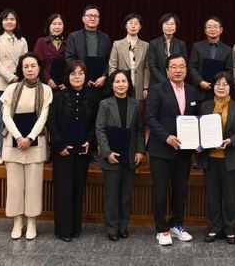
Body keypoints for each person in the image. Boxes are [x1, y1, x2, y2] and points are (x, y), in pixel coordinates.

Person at [145, 54, 198, 246]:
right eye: (174, 66)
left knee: (180, 190)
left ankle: (176, 225)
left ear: (186, 70)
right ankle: (162, 229)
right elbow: (150, 118)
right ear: (167, 71)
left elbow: (195, 119)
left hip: (183, 152)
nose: (178, 70)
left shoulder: (192, 91)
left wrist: (197, 142)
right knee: (161, 191)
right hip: (161, 150)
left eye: (182, 66)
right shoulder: (157, 89)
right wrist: (166, 137)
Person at [1, 52, 53, 240]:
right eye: (26, 66)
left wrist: (29, 138)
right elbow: (6, 115)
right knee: (14, 187)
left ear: (39, 68)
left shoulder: (46, 90)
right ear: (21, 69)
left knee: (33, 186)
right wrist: (18, 136)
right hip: (13, 143)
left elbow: (43, 117)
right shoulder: (12, 89)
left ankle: (31, 223)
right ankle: (17, 222)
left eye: (33, 66)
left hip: (35, 143)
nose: (30, 69)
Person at [48, 60, 100, 241]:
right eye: (73, 73)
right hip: (62, 152)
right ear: (67, 76)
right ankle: (63, 230)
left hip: (82, 151)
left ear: (86, 76)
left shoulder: (93, 96)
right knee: (63, 190)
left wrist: (89, 142)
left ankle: (75, 227)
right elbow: (52, 122)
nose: (77, 77)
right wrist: (59, 146)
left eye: (80, 73)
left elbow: (95, 123)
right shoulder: (59, 96)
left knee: (78, 189)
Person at [196, 72, 235, 244]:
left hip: (230, 158)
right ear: (213, 86)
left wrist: (231, 141)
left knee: (230, 197)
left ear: (230, 88)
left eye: (225, 84)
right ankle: (213, 229)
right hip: (210, 158)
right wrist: (197, 142)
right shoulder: (205, 106)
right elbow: (198, 129)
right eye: (218, 84)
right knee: (212, 195)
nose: (221, 87)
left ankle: (229, 230)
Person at [95, 70, 146, 241]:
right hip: (112, 156)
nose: (121, 84)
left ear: (128, 84)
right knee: (111, 196)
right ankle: (112, 229)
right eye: (117, 82)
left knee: (125, 195)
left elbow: (140, 130)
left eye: (124, 81)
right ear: (112, 85)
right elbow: (100, 129)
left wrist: (140, 151)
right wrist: (107, 152)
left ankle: (123, 227)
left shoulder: (136, 104)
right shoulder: (105, 104)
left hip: (130, 155)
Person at [0, 8, 28, 165]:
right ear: (1, 22)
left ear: (16, 22)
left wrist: (20, 78)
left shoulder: (22, 41)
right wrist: (11, 77)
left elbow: (25, 61)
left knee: (14, 119)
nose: (9, 22)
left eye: (12, 19)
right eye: (6, 19)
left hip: (17, 84)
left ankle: (13, 151)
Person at [65, 5, 111, 89]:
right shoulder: (73, 37)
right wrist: (82, 76)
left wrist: (104, 76)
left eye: (95, 16)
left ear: (99, 19)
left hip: (100, 82)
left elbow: (110, 60)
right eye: (89, 15)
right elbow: (69, 59)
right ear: (83, 18)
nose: (92, 18)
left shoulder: (105, 38)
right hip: (79, 82)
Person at [189, 16, 233, 102]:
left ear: (221, 30)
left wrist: (220, 84)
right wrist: (200, 82)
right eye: (209, 27)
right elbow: (191, 66)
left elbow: (229, 70)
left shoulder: (228, 50)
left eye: (215, 27)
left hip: (220, 91)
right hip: (200, 91)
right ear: (205, 30)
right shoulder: (197, 47)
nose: (212, 29)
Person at [108, 13, 150, 101]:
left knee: (137, 108)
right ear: (126, 26)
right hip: (121, 84)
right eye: (130, 23)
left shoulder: (146, 45)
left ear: (140, 27)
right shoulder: (117, 44)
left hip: (139, 85)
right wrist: (115, 83)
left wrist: (145, 87)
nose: (133, 26)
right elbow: (112, 66)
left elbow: (147, 68)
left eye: (136, 24)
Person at [148, 13, 188, 87]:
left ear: (176, 26)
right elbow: (152, 66)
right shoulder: (154, 43)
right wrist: (166, 82)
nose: (169, 27)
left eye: (172, 24)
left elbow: (183, 64)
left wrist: (175, 80)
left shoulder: (181, 44)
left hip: (177, 82)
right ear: (162, 26)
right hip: (157, 83)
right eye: (166, 24)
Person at [33, 13, 67, 92]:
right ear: (49, 26)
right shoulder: (41, 42)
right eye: (54, 24)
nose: (57, 27)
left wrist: (67, 81)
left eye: (60, 24)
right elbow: (37, 64)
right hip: (45, 84)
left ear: (63, 26)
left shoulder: (68, 43)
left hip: (64, 86)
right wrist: (48, 80)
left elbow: (71, 63)